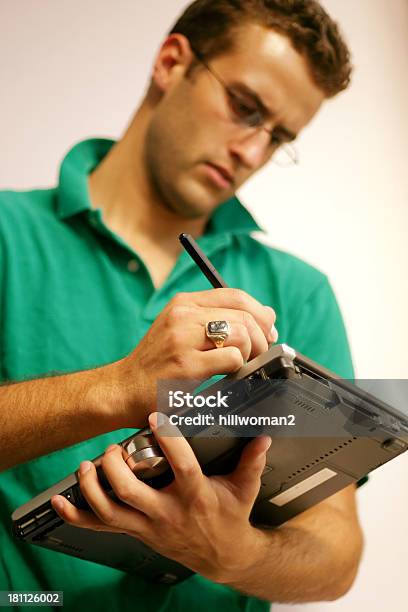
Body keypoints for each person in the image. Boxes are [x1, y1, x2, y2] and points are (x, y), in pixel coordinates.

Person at [0, 0, 367, 609]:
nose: (253, 151)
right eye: (245, 108)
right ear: (172, 63)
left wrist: (233, 553)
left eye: (278, 136)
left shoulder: (299, 293)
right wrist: (115, 389)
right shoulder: (9, 235)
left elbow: (337, 551)